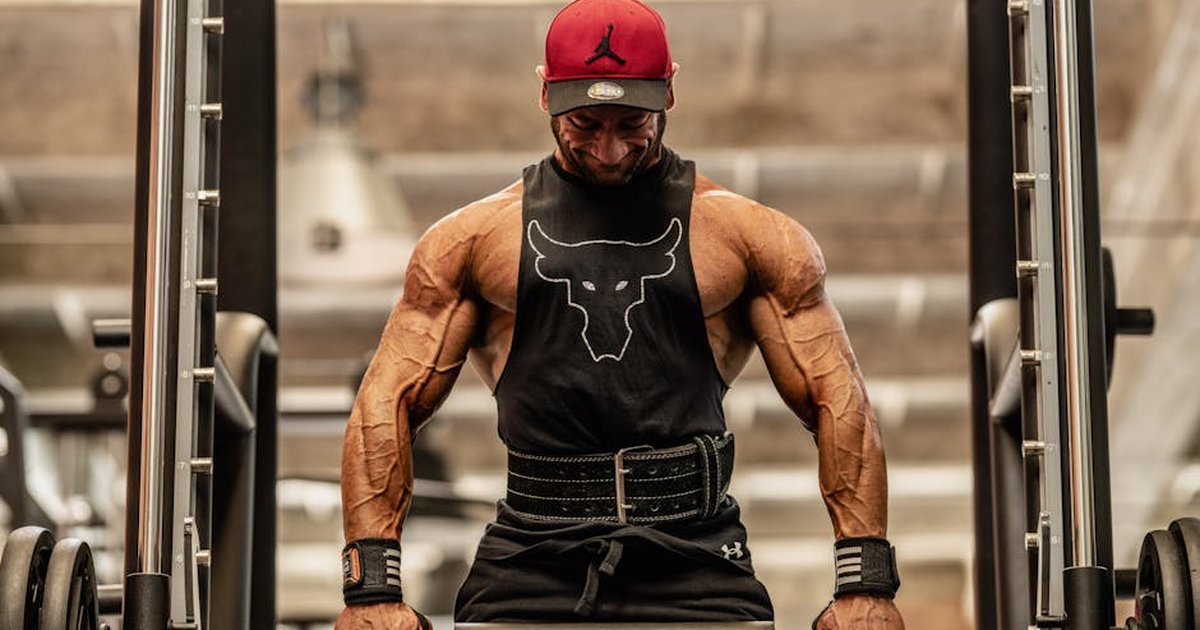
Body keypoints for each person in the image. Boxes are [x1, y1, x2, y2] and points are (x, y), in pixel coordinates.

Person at [336, 0, 905, 627]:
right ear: (545, 93)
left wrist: (865, 581)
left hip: (699, 558)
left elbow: (837, 398)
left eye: (632, 122)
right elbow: (386, 401)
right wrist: (371, 588)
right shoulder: (470, 243)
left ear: (670, 92)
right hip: (530, 558)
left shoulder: (751, 238)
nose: (608, 150)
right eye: (584, 123)